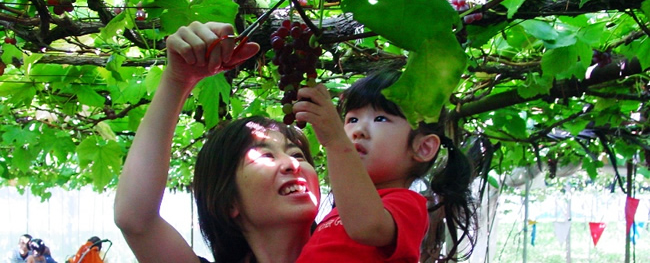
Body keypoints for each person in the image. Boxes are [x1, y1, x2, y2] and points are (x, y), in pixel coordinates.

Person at [113, 21, 321, 263]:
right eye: (266, 156)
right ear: (229, 202)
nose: (291, 164)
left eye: (297, 155)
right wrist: (177, 80)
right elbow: (136, 221)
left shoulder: (362, 247)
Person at [292, 71, 477, 262]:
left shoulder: (408, 204)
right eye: (352, 120)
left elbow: (366, 227)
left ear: (423, 147)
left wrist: (337, 141)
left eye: (380, 119)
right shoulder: (341, 210)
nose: (358, 131)